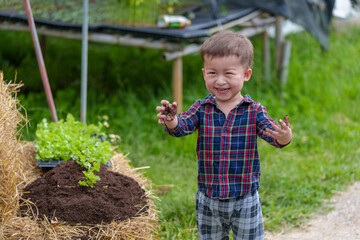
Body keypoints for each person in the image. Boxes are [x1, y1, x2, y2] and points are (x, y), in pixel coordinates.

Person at [156, 30, 292, 240]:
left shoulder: (253, 110)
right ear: (204, 74)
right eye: (212, 73)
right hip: (208, 198)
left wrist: (284, 136)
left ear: (246, 75)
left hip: (244, 198)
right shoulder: (202, 108)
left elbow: (274, 136)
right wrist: (171, 119)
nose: (219, 81)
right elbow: (181, 127)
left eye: (228, 73)